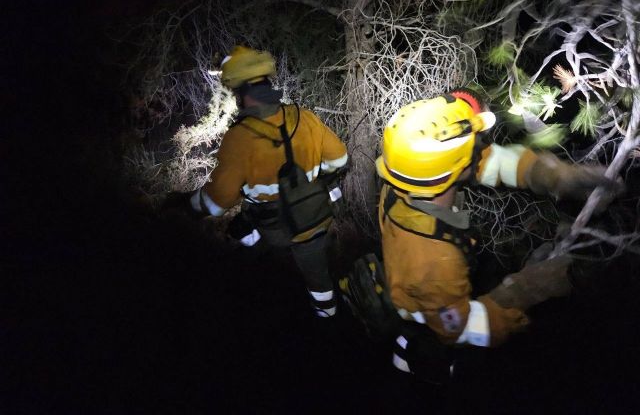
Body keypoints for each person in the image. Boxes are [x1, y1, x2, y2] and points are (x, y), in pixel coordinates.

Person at [375, 89, 623, 381]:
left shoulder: (409, 180)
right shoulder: (432, 259)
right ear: (457, 167)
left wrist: (554, 176)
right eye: (473, 146)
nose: (481, 147)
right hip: (434, 334)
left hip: (428, 297)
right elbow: (463, 328)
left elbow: (483, 161)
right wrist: (527, 288)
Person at [190, 46, 348, 318]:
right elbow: (340, 159)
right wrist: (308, 177)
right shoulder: (305, 117)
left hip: (274, 230)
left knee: (243, 235)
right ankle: (329, 322)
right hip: (315, 220)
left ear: (240, 94)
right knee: (320, 283)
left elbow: (218, 203)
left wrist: (189, 203)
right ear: (267, 84)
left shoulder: (239, 138)